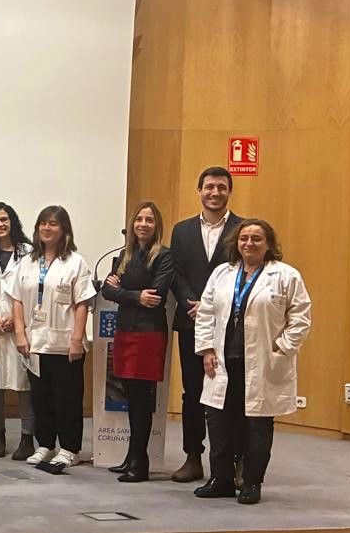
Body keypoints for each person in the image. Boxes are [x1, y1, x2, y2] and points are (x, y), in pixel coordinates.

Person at [193, 220, 311, 505]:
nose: (249, 243)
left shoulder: (286, 276)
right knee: (219, 422)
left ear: (268, 244)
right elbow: (206, 312)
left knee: (257, 425)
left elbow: (301, 318)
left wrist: (281, 347)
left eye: (256, 238)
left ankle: (251, 482)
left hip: (262, 362)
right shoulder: (222, 273)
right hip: (224, 362)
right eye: (244, 238)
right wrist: (207, 350)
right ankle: (221, 479)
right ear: (236, 242)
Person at [169, 166, 242, 483]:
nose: (215, 192)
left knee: (232, 391)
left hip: (231, 325)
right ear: (199, 190)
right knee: (193, 391)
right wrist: (194, 304)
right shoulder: (181, 230)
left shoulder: (243, 228)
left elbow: (244, 273)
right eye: (209, 187)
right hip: (191, 321)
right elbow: (175, 272)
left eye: (221, 187)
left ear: (229, 192)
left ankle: (234, 460)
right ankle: (193, 457)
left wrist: (211, 306)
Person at [10, 205, 94, 474]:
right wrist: (20, 333)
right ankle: (45, 444)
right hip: (35, 342)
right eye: (43, 223)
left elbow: (82, 303)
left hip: (65, 342)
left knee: (67, 398)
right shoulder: (27, 261)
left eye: (53, 224)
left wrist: (77, 339)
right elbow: (17, 300)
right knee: (41, 398)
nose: (47, 228)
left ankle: (70, 448)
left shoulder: (76, 262)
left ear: (64, 229)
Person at [99, 202, 176, 482]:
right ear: (132, 224)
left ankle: (140, 462)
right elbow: (107, 290)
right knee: (130, 398)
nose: (143, 224)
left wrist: (125, 292)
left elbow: (156, 295)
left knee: (142, 399)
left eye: (149, 220)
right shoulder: (124, 255)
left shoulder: (165, 256)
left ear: (157, 226)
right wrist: (135, 296)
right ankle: (131, 456)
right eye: (139, 219)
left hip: (148, 334)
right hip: (125, 330)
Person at [0, 202, 34, 459]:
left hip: (20, 327)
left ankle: (27, 438)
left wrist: (16, 317)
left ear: (12, 221)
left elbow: (32, 288)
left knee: (24, 385)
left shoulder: (28, 252)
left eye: (4, 219)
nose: (0, 224)